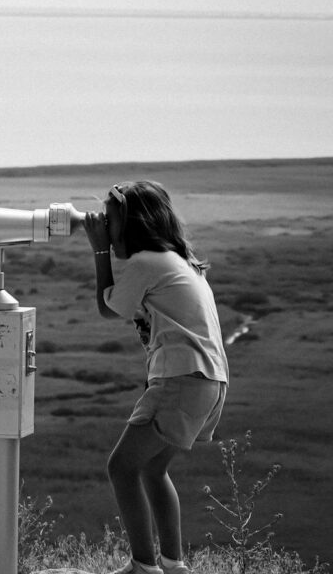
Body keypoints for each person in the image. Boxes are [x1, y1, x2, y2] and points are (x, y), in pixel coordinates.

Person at [81, 181, 230, 574]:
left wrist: (99, 250)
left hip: (182, 378)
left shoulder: (148, 262)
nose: (105, 228)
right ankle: (173, 565)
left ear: (131, 223)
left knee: (121, 468)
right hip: (206, 382)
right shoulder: (181, 262)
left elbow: (108, 307)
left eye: (109, 221)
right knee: (151, 468)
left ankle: (144, 567)